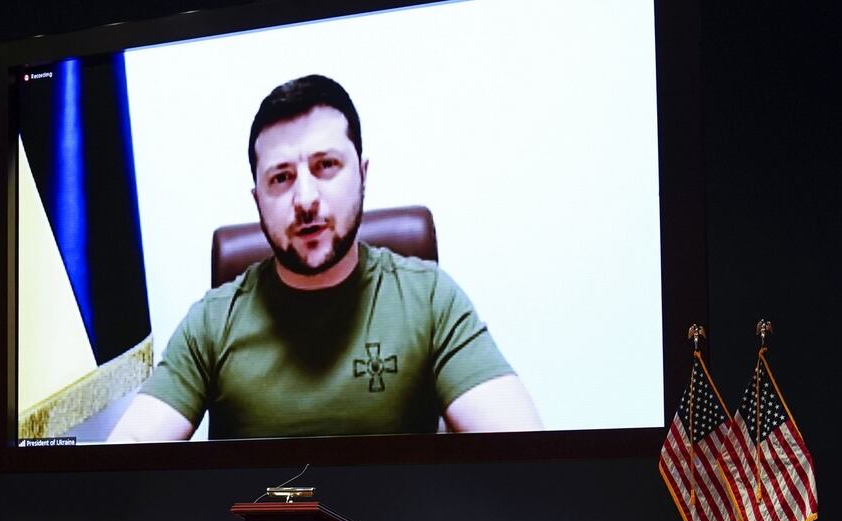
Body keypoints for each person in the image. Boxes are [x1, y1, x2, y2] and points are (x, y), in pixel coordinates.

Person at [109, 74, 541, 442]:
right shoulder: (212, 322)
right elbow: (124, 462)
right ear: (258, 199)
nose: (306, 199)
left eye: (326, 166)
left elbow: (525, 454)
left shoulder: (429, 299)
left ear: (362, 175)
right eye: (281, 177)